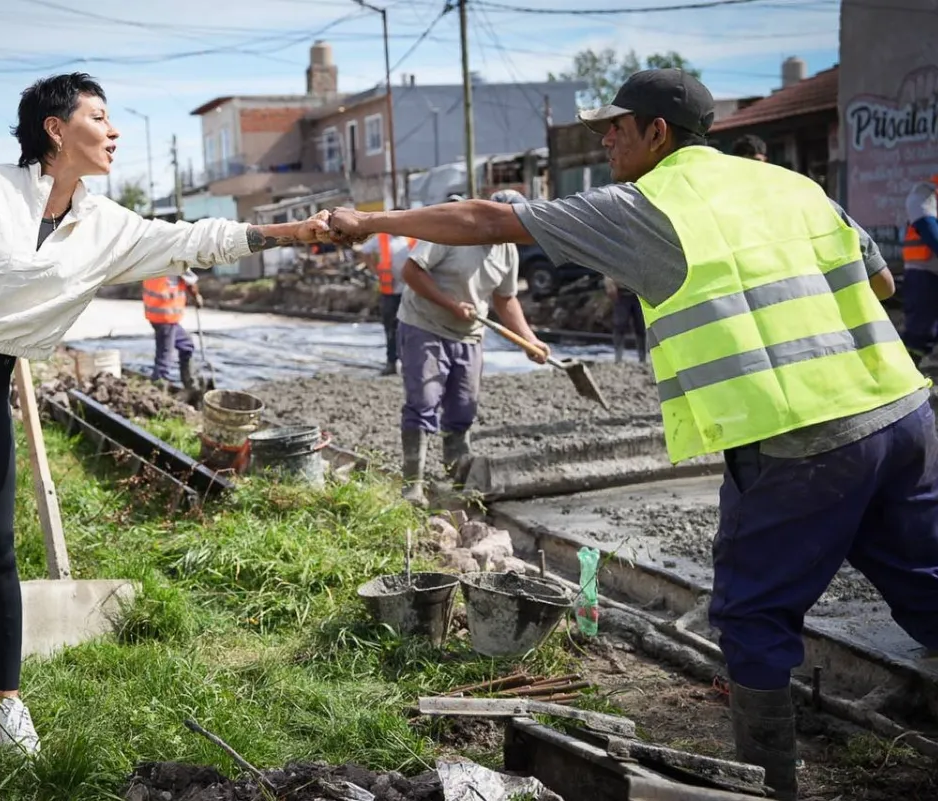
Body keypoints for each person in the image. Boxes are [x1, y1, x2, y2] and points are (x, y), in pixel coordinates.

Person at [324, 69, 935, 801]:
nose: (605, 137)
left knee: (753, 612)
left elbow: (491, 219)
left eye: (619, 124)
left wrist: (373, 222)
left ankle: (770, 786)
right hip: (903, 416)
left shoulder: (649, 204)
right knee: (925, 578)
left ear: (659, 133)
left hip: (797, 438)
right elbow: (883, 286)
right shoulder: (794, 187)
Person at [0, 72, 328, 769]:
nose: (113, 131)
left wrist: (286, 231)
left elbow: (193, 239)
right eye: (99, 116)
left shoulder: (108, 225)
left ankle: (7, 701)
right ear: (56, 129)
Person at [394, 189, 549, 505]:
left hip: (468, 334)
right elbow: (411, 271)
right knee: (424, 401)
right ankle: (413, 484)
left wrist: (529, 339)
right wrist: (450, 304)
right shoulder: (451, 230)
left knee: (464, 406)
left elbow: (505, 299)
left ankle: (458, 476)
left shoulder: (507, 250)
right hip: (424, 324)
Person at [358, 225, 416, 375]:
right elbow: (364, 251)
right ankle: (392, 362)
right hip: (389, 291)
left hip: (411, 292)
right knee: (391, 328)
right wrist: (374, 270)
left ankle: (410, 363)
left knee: (412, 329)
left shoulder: (412, 238)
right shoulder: (382, 238)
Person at [901, 175, 938, 365]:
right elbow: (929, 229)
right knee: (919, 335)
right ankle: (902, 382)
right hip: (924, 273)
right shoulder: (924, 192)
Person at [143, 271, 200, 388]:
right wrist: (196, 297)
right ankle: (159, 387)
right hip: (166, 316)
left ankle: (189, 384)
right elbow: (191, 282)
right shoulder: (178, 260)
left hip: (156, 315)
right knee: (165, 356)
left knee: (186, 345)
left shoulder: (154, 260)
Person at [603, 276, 644, 363]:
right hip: (621, 293)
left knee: (641, 326)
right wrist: (609, 284)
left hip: (640, 292)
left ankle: (642, 358)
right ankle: (618, 358)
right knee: (619, 325)